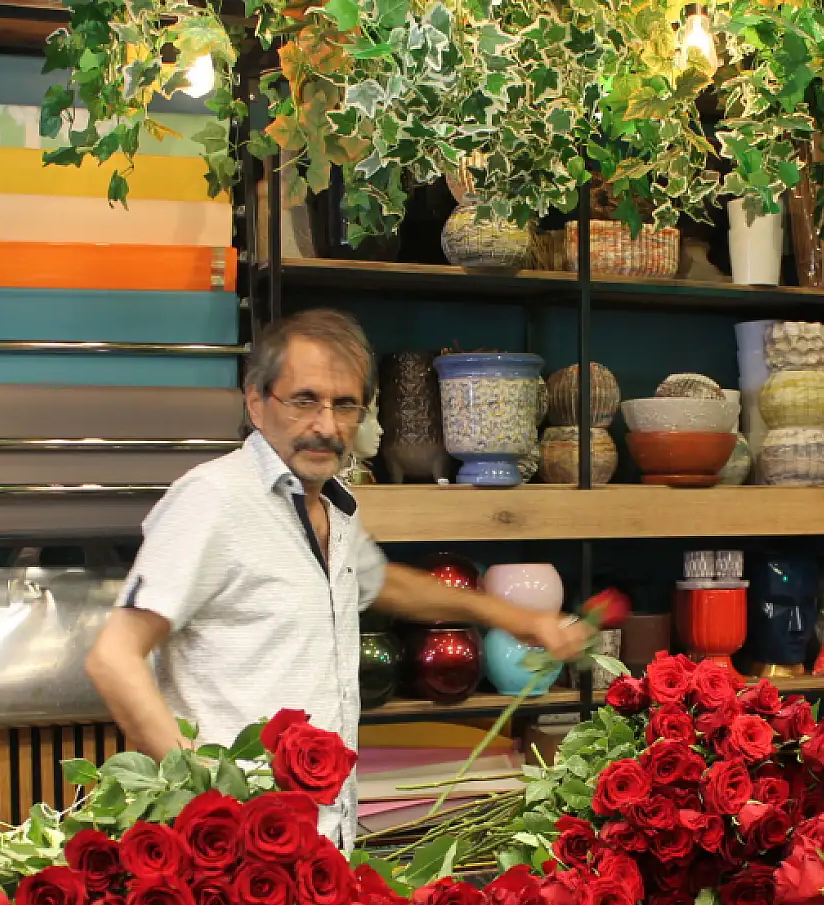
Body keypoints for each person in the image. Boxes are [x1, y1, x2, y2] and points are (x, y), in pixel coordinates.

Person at [86, 308, 590, 849]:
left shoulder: (334, 511)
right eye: (304, 400)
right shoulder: (213, 499)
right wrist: (204, 800)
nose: (326, 425)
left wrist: (519, 619)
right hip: (236, 850)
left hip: (324, 841)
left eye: (345, 404)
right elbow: (113, 658)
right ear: (256, 402)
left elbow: (382, 584)